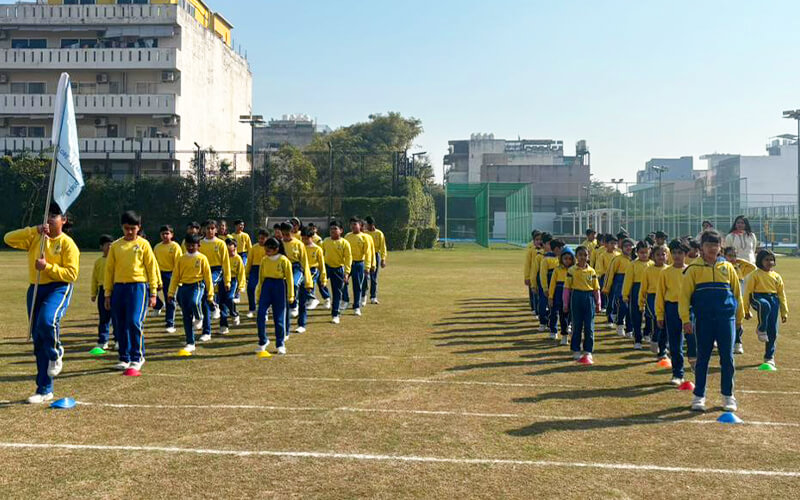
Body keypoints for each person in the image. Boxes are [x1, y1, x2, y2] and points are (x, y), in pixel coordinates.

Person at [4, 203, 80, 403]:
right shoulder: (36, 237)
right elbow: (8, 239)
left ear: (63, 220)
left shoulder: (67, 244)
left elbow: (71, 274)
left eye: (55, 215)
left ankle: (57, 351)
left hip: (58, 288)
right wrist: (33, 230)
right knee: (38, 338)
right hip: (36, 289)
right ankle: (44, 389)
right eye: (47, 215)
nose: (49, 218)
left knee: (47, 321)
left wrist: (48, 267)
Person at [680, 230, 744, 412]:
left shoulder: (727, 267)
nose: (712, 248)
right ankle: (699, 395)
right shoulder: (693, 269)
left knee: (727, 358)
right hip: (704, 320)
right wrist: (686, 319)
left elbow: (737, 294)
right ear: (701, 247)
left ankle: (727, 396)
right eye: (708, 245)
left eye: (715, 245)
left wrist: (738, 317)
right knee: (703, 358)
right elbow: (684, 297)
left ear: (720, 247)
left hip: (726, 319)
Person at [104, 211, 159, 373]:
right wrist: (107, 293)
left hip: (138, 288)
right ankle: (124, 358)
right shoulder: (116, 246)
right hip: (119, 288)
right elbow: (109, 271)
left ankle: (137, 357)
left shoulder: (144, 245)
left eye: (133, 229)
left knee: (134, 322)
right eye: (126, 228)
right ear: (122, 227)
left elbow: (151, 269)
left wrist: (154, 292)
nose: (129, 232)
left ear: (139, 228)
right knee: (120, 324)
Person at [168, 234, 214, 354]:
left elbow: (208, 277)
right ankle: (190, 342)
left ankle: (199, 317)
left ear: (198, 246)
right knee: (186, 316)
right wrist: (171, 293)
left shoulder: (202, 258)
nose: (190, 247)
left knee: (195, 302)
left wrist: (210, 294)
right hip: (184, 288)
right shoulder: (181, 259)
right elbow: (175, 277)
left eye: (193, 245)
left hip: (197, 285)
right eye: (188, 245)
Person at [744, 249, 788, 369]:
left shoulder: (776, 276)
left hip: (773, 299)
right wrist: (746, 309)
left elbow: (781, 294)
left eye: (771, 260)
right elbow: (748, 292)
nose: (769, 262)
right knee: (765, 305)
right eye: (766, 260)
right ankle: (761, 328)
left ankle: (769, 356)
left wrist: (784, 311)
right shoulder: (755, 274)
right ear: (760, 261)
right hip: (758, 297)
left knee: (773, 330)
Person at [657, 239, 690, 386]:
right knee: (675, 342)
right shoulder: (666, 272)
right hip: (672, 308)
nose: (677, 256)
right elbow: (660, 294)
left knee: (693, 339)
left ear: (686, 254)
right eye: (674, 252)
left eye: (680, 253)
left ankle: (695, 362)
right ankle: (678, 373)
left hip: (689, 309)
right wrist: (659, 314)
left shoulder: (691, 271)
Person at [255, 237, 294, 355]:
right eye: (265, 249)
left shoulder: (284, 260)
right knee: (260, 314)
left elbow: (290, 279)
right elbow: (261, 278)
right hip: (266, 287)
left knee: (279, 318)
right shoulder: (264, 260)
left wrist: (291, 295)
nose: (266, 251)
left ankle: (280, 344)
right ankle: (263, 341)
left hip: (279, 287)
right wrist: (258, 294)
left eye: (269, 249)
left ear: (276, 249)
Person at [564, 245, 602, 363]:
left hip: (589, 298)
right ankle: (576, 349)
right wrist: (566, 303)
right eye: (580, 255)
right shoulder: (571, 271)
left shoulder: (592, 271)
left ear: (588, 256)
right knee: (577, 325)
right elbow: (567, 289)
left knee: (589, 326)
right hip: (576, 297)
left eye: (585, 255)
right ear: (576, 257)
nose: (583, 257)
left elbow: (596, 288)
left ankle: (588, 351)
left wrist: (598, 303)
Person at [280, 221, 313, 334]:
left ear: (292, 232)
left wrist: (308, 281)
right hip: (284, 269)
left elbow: (305, 263)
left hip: (297, 269)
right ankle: (285, 329)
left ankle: (301, 323)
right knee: (285, 300)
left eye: (287, 234)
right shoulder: (279, 244)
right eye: (283, 234)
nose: (285, 237)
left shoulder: (299, 244)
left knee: (294, 285)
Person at [724, 246, 756, 354]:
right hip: (726, 299)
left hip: (739, 299)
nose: (732, 258)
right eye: (730, 255)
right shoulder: (722, 267)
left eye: (734, 256)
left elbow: (752, 267)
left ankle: (738, 342)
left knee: (738, 321)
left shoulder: (740, 267)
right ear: (724, 256)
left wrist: (739, 260)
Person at [622, 240, 652, 349]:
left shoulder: (652, 264)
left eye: (646, 252)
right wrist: (625, 295)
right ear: (637, 252)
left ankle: (647, 333)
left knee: (650, 314)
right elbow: (628, 281)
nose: (644, 255)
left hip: (650, 291)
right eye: (641, 252)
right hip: (636, 290)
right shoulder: (633, 264)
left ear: (649, 251)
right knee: (636, 315)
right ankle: (637, 339)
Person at [342, 217, 374, 316]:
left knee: (357, 286)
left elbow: (368, 253)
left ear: (360, 225)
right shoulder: (347, 236)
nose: (353, 226)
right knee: (343, 282)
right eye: (351, 224)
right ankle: (345, 300)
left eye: (355, 224)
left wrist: (367, 267)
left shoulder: (364, 237)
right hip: (348, 263)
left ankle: (356, 306)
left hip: (359, 264)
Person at [297, 226, 327, 332]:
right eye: (303, 238)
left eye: (306, 238)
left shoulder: (317, 249)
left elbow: (322, 265)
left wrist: (323, 279)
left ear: (312, 237)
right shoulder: (299, 247)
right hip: (300, 271)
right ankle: (300, 323)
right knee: (301, 298)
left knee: (305, 288)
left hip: (313, 271)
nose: (304, 240)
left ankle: (312, 297)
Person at [322, 220, 353, 324]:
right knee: (318, 281)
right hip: (326, 267)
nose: (332, 231)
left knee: (337, 292)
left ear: (341, 230)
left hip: (338, 269)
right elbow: (321, 254)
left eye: (335, 228)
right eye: (331, 229)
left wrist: (347, 273)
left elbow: (348, 258)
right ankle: (326, 298)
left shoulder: (345, 243)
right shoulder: (325, 241)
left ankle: (335, 314)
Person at [153, 225, 182, 334]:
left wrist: (176, 277)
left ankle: (170, 323)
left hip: (171, 275)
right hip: (158, 274)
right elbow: (154, 263)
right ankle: (159, 305)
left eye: (167, 233)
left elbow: (178, 264)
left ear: (172, 235)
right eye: (163, 234)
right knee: (149, 292)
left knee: (170, 298)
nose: (165, 236)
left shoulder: (175, 247)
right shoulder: (157, 247)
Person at [640, 244, 668, 357]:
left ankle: (663, 348)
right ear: (653, 256)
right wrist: (641, 302)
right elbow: (643, 287)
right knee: (657, 320)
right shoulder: (648, 270)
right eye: (658, 255)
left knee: (665, 322)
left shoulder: (668, 269)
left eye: (663, 254)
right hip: (653, 298)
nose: (661, 257)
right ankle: (655, 339)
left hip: (666, 297)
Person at [603, 237, 633, 337]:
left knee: (631, 308)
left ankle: (629, 329)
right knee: (623, 306)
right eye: (626, 246)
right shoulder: (617, 259)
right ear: (621, 247)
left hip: (632, 285)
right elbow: (610, 274)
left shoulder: (635, 260)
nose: (628, 248)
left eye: (630, 246)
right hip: (620, 284)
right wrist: (606, 288)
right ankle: (620, 324)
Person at [91, 234, 114, 351]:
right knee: (104, 317)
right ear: (101, 247)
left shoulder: (116, 260)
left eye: (111, 245)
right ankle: (103, 341)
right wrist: (93, 293)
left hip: (115, 290)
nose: (109, 247)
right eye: (107, 245)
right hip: (102, 290)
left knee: (117, 318)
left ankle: (118, 340)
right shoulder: (98, 262)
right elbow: (94, 278)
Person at [547, 245, 573, 345]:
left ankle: (569, 327)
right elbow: (552, 284)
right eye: (565, 258)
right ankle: (560, 333)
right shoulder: (557, 270)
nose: (567, 261)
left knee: (570, 314)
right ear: (561, 258)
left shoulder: (574, 270)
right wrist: (550, 297)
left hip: (571, 294)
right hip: (558, 294)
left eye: (570, 259)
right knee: (559, 314)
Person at [219, 238, 245, 335]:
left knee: (229, 298)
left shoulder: (238, 258)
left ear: (235, 248)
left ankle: (234, 313)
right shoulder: (222, 258)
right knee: (222, 304)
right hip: (222, 281)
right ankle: (223, 326)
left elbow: (241, 273)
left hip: (233, 281)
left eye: (233, 249)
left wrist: (240, 287)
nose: (231, 252)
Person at [538, 235, 561, 339]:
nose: (560, 251)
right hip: (548, 288)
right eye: (558, 249)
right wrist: (545, 288)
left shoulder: (564, 259)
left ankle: (555, 325)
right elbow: (542, 275)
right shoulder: (546, 259)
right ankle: (543, 322)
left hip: (560, 289)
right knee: (544, 305)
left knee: (556, 308)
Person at [596, 234, 620, 324]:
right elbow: (600, 269)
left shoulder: (618, 255)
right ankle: (609, 316)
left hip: (617, 279)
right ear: (606, 244)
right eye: (611, 243)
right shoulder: (602, 255)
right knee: (610, 298)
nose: (614, 246)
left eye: (615, 244)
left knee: (617, 298)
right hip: (606, 278)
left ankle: (616, 315)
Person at [245, 229, 269, 319]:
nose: (260, 240)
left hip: (266, 270)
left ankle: (264, 311)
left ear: (267, 238)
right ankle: (252, 309)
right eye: (259, 238)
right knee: (250, 288)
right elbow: (249, 261)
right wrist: (246, 273)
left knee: (264, 291)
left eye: (263, 238)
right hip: (255, 270)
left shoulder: (269, 248)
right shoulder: (254, 248)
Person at [364, 216, 388, 305]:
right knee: (365, 277)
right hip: (366, 256)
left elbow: (383, 247)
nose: (365, 226)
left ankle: (373, 297)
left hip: (375, 254)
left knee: (374, 277)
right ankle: (364, 296)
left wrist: (383, 259)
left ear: (372, 225)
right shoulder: (364, 233)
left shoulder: (379, 233)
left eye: (367, 224)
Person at [231, 219, 252, 303]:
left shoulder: (245, 235)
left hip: (243, 254)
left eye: (242, 225)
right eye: (240, 225)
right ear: (235, 226)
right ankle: (236, 291)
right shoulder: (231, 236)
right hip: (234, 255)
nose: (241, 227)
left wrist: (250, 258)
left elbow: (249, 248)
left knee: (242, 268)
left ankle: (241, 285)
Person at [524, 230, 541, 317]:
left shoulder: (545, 251)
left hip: (542, 275)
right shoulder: (531, 250)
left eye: (540, 240)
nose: (538, 241)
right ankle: (534, 308)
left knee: (541, 294)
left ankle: (541, 310)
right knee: (533, 292)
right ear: (533, 241)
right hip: (533, 275)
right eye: (536, 240)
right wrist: (527, 277)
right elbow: (527, 264)